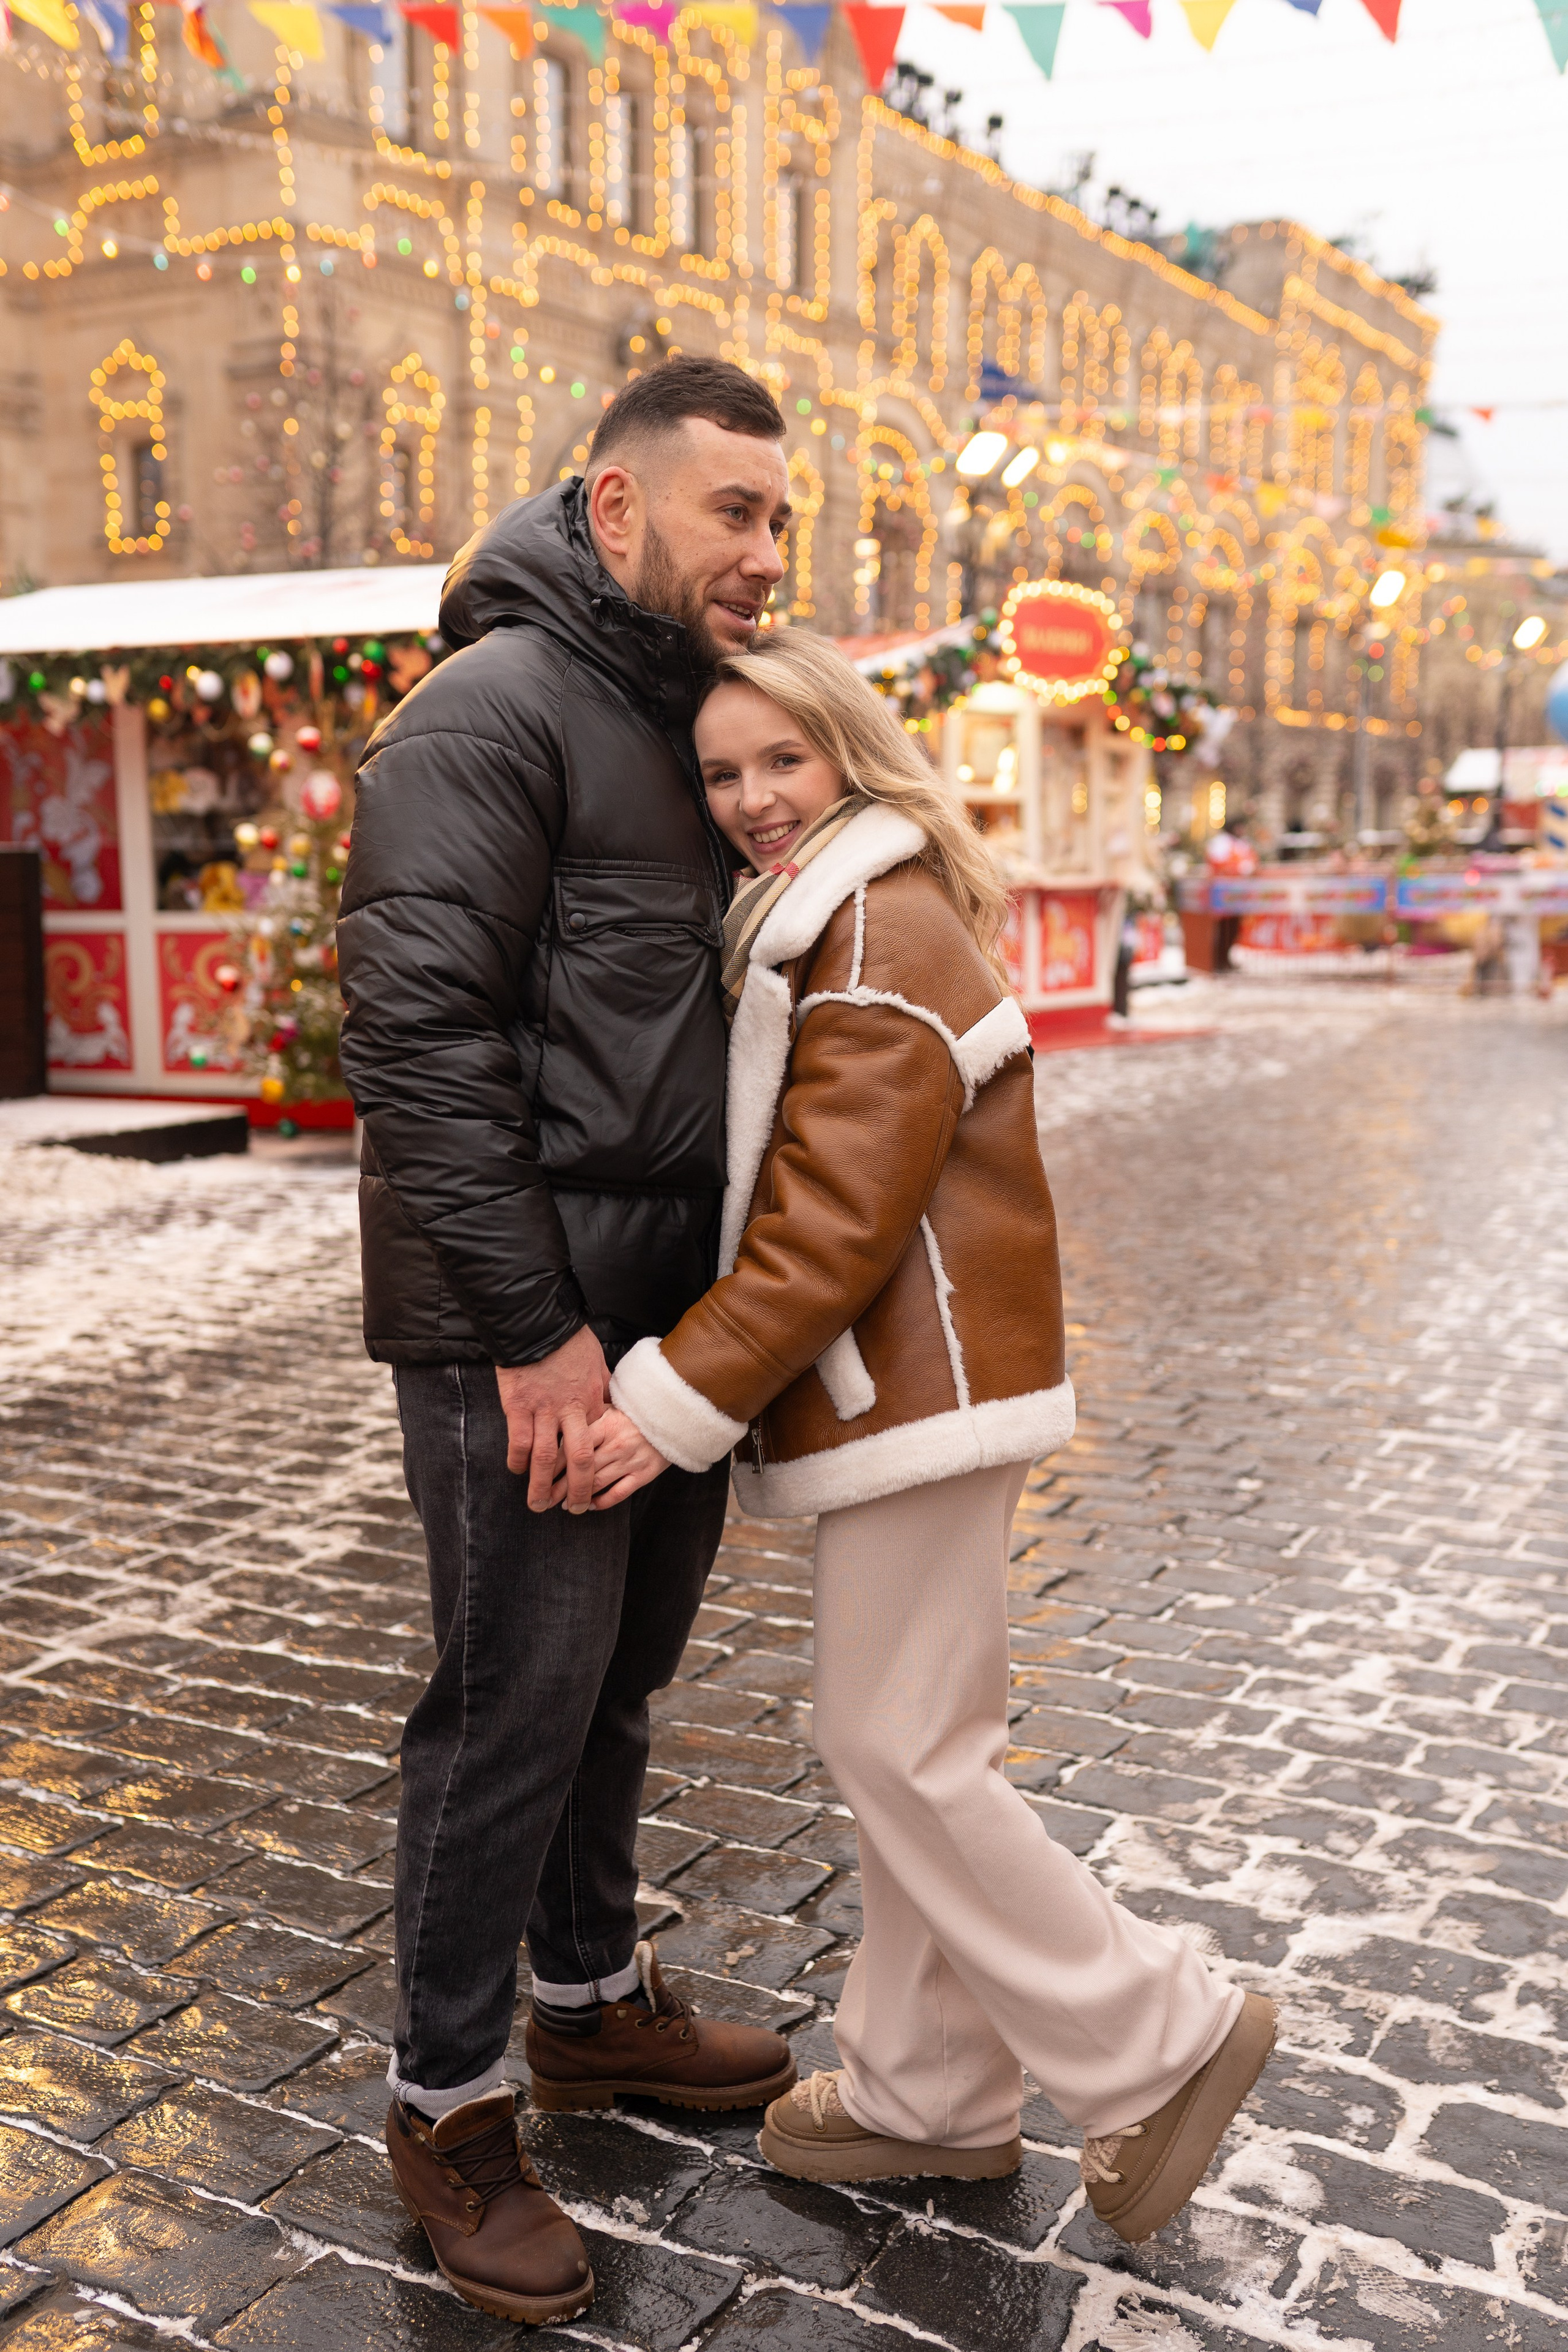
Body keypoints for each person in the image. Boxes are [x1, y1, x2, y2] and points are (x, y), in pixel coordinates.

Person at [584, 630, 1277, 2245]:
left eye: (784, 761)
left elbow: (828, 1228)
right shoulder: (837, 909)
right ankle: (926, 2094)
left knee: (899, 1747)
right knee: (916, 1744)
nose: (754, 798)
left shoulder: (872, 925)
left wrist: (671, 1408)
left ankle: (1156, 2038)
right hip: (924, 1389)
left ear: (852, 755)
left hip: (923, 1392)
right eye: (725, 771)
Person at [335, 359, 803, 2328]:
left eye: (785, 517)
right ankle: (448, 2107)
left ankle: (591, 2003)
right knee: (511, 1704)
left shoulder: (692, 720)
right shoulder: (490, 714)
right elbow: (416, 1045)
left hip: (674, 1326)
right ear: (614, 512)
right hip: (521, 1328)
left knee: (617, 1680)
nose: (768, 554)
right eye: (735, 515)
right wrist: (535, 1341)